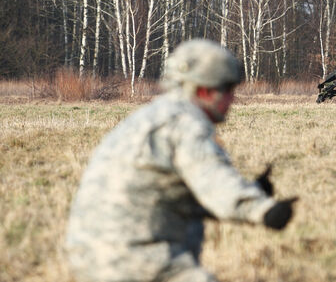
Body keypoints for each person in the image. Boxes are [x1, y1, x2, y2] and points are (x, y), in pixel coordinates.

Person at [65, 39, 296, 282]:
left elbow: (178, 196)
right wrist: (264, 210)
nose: (232, 100)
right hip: (136, 257)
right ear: (204, 90)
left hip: (92, 252)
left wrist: (253, 190)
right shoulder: (186, 125)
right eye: (228, 90)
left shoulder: (153, 115)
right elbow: (215, 183)